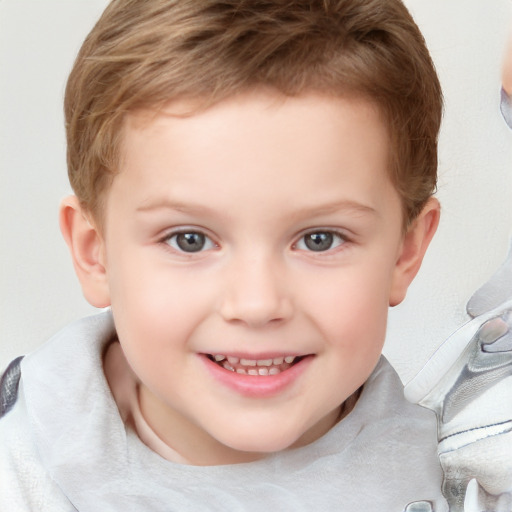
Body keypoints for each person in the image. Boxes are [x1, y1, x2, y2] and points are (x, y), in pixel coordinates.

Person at [0, 0, 446, 510]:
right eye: (189, 239)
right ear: (94, 252)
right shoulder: (15, 476)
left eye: (320, 239)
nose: (256, 304)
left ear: (405, 252)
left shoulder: (468, 481)